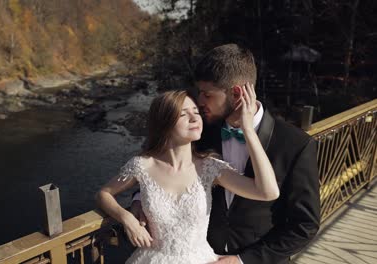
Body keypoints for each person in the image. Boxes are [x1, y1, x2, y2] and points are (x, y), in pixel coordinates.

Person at [131, 44, 321, 264]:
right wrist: (138, 201)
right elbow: (160, 165)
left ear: (237, 92)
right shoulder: (199, 131)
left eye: (207, 94)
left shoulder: (296, 144)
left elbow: (305, 225)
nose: (200, 101)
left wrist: (242, 260)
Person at [96, 86, 280, 264]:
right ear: (164, 124)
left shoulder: (210, 168)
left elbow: (268, 192)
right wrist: (127, 219)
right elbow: (104, 194)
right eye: (184, 114)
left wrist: (247, 129)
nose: (194, 118)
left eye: (196, 112)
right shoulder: (141, 165)